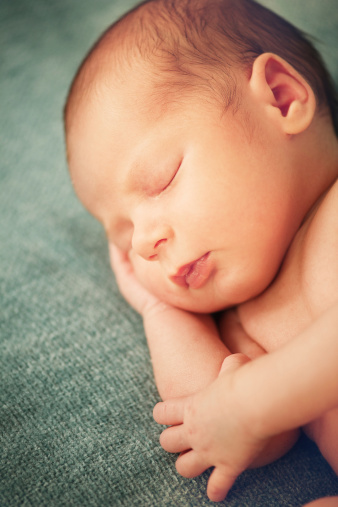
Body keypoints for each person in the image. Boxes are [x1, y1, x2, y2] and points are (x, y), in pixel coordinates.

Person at [64, 0, 338, 503]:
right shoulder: (243, 322)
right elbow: (245, 438)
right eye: (124, 237)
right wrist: (161, 310)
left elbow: (250, 408)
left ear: (280, 98)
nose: (144, 243)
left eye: (160, 180)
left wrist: (250, 402)